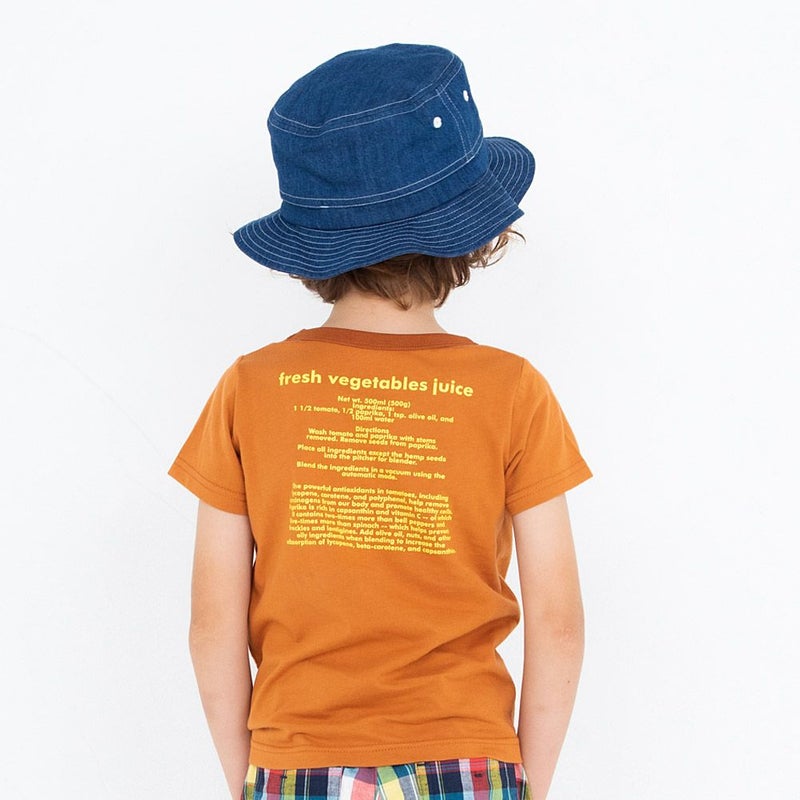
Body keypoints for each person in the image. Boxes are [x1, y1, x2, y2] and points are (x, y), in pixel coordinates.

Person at [168, 43, 593, 800]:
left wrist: (248, 780)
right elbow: (558, 624)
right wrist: (528, 782)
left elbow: (211, 626)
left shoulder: (249, 388)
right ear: (469, 229)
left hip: (297, 762)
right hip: (468, 760)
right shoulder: (513, 390)